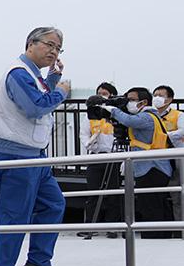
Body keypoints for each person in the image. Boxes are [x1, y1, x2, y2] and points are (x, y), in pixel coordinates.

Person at [0, 27, 70, 266]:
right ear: (30, 44)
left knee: (54, 204)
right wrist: (62, 93)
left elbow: (40, 96)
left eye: (58, 48)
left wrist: (54, 79)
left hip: (36, 154)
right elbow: (36, 106)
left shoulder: (33, 75)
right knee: (14, 215)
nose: (54, 51)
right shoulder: (19, 73)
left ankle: (38, 260)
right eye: (50, 44)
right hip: (16, 154)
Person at [102, 87, 174, 239]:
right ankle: (162, 236)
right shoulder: (149, 115)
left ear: (144, 102)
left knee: (150, 206)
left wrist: (113, 110)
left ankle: (155, 239)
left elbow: (129, 121)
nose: (129, 103)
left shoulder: (147, 117)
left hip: (152, 168)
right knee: (154, 204)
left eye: (132, 100)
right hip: (151, 167)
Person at [78, 82, 121, 239]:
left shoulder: (115, 114)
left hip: (113, 156)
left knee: (113, 193)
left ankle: (113, 226)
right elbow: (83, 134)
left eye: (105, 93)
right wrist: (89, 143)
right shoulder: (89, 116)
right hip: (96, 156)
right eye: (99, 93)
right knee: (93, 191)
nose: (101, 96)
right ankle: (90, 225)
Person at [153, 85, 182, 223]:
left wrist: (164, 136)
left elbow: (182, 131)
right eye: (155, 95)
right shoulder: (151, 115)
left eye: (161, 95)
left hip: (177, 158)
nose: (157, 98)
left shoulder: (178, 115)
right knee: (163, 194)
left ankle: (179, 228)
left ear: (169, 99)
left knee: (179, 195)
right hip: (158, 158)